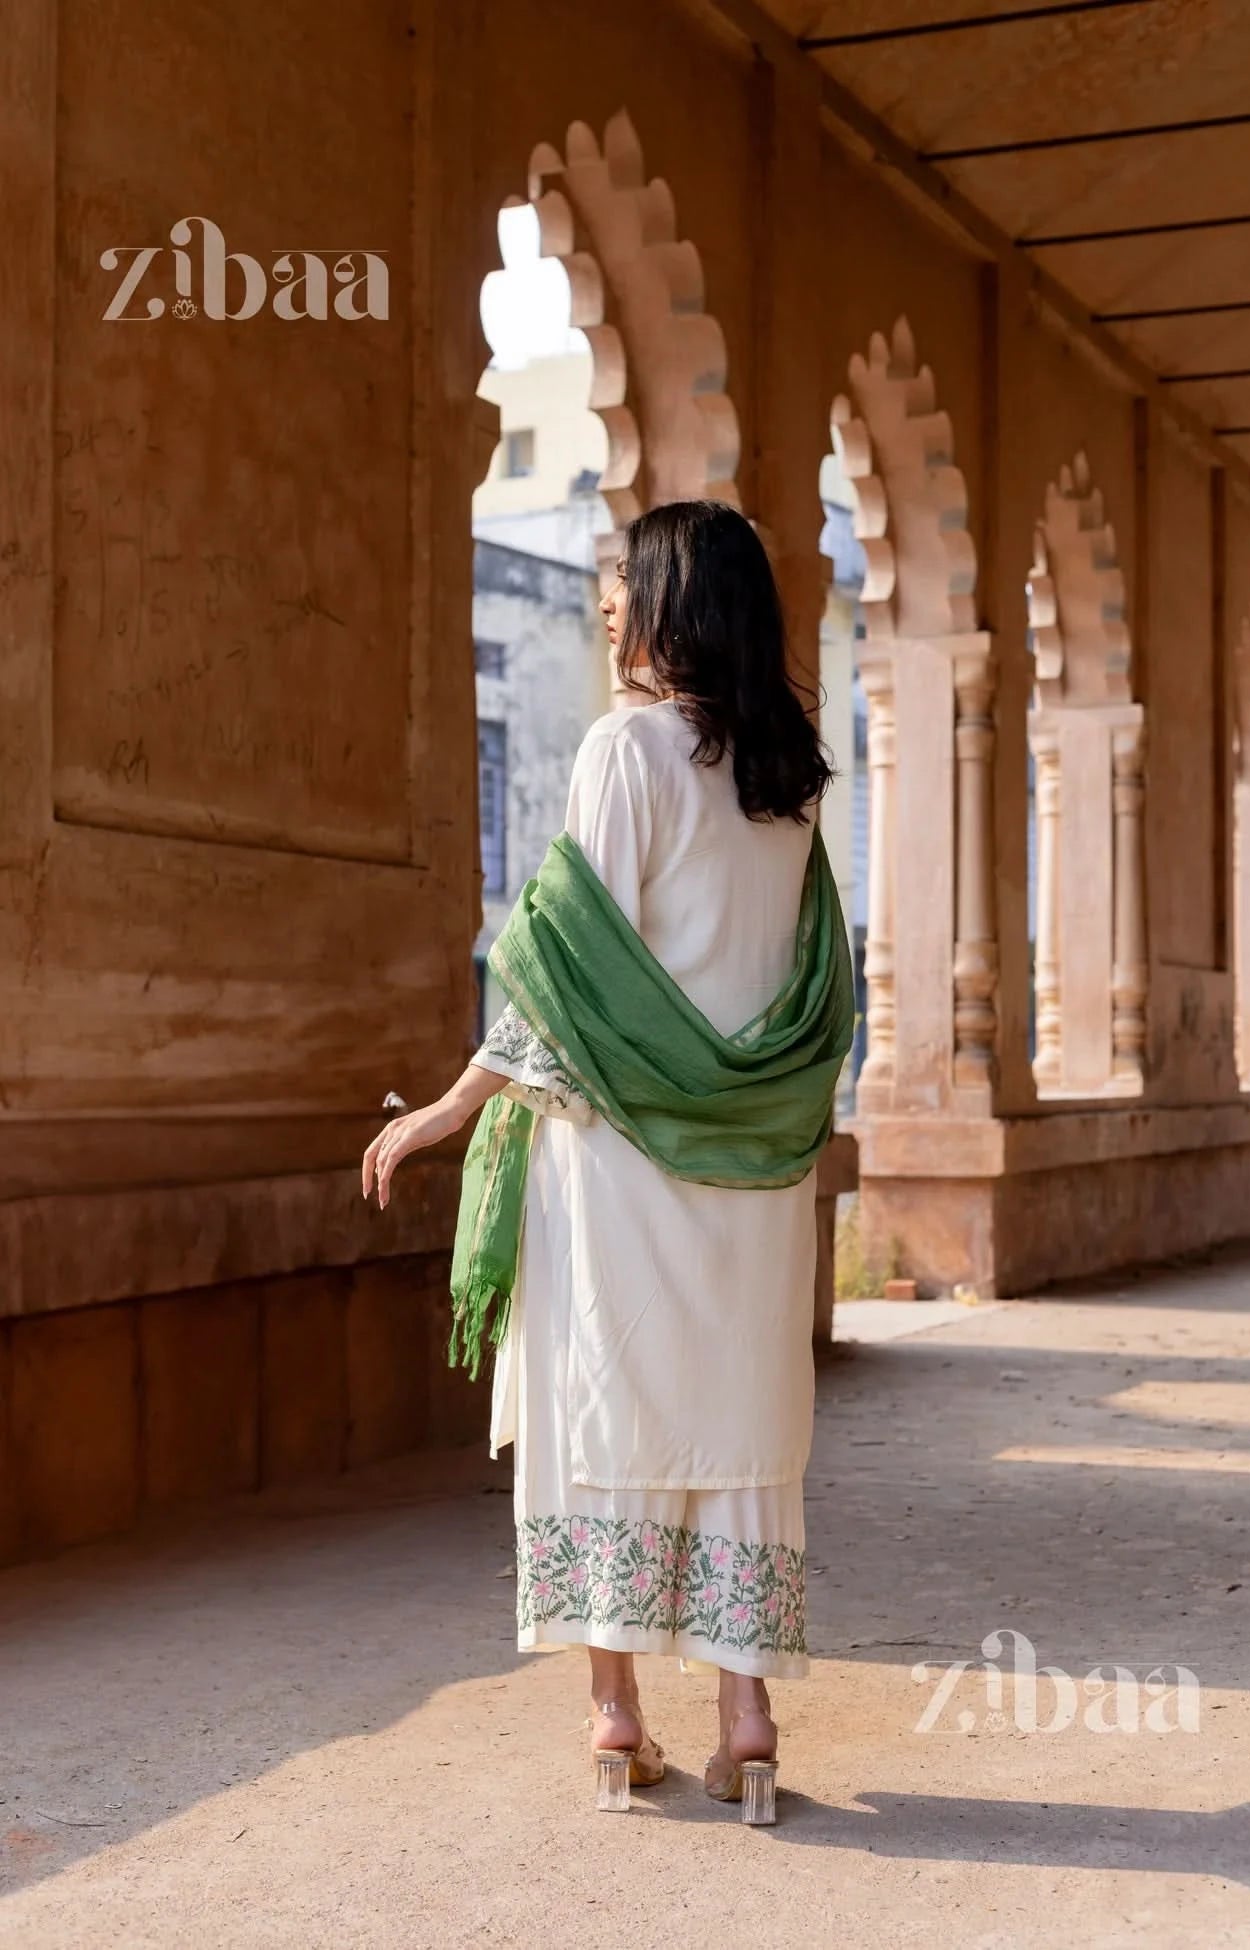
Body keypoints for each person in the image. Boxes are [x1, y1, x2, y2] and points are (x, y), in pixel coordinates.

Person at [362, 499, 852, 1823]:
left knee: (605, 1419)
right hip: (755, 1177)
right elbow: (804, 990)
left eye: (621, 585)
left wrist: (449, 1108)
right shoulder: (789, 782)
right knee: (745, 1432)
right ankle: (746, 1720)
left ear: (672, 602)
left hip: (623, 1164)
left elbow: (566, 976)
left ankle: (616, 1712)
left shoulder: (625, 750)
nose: (605, 607)